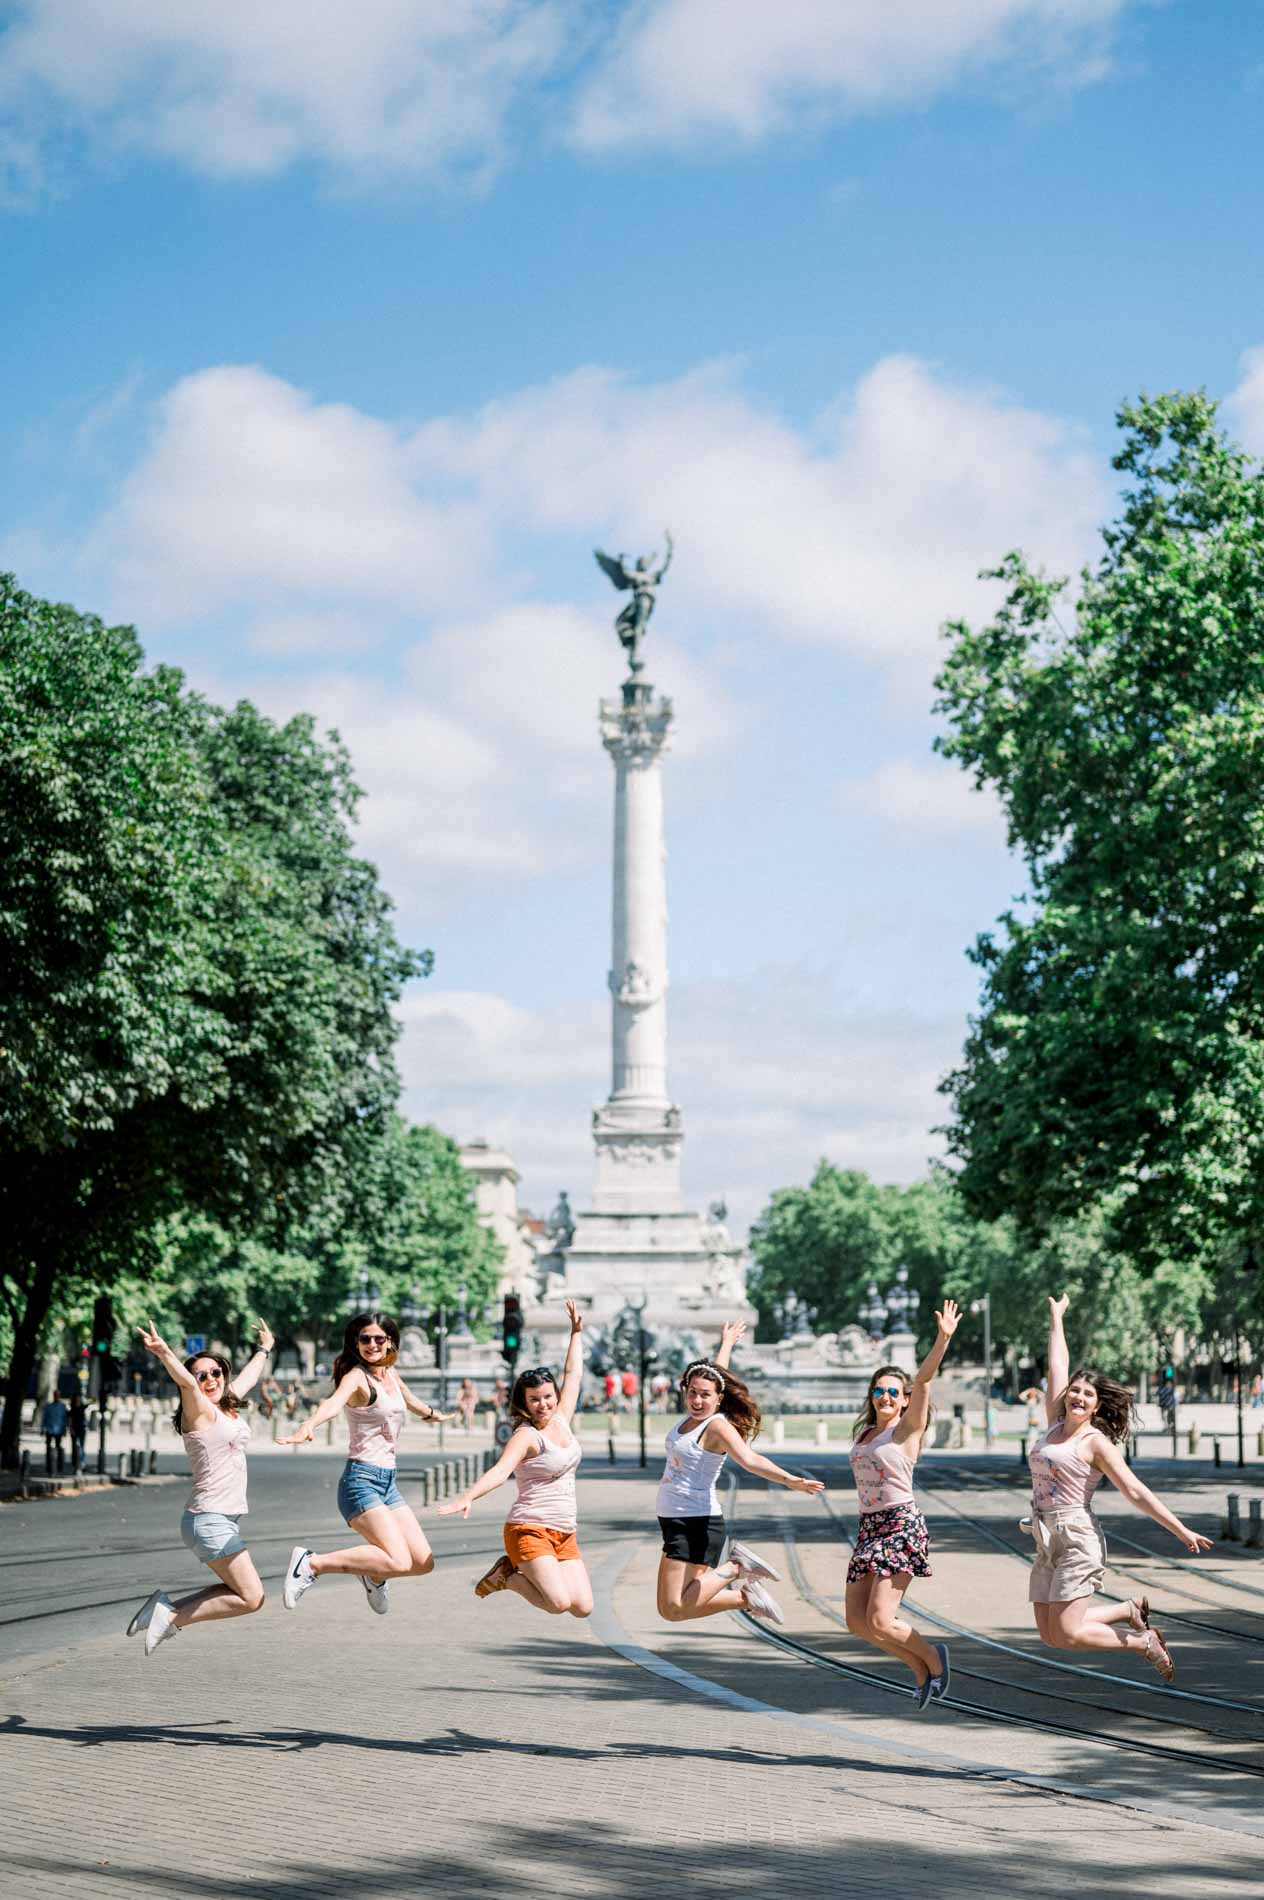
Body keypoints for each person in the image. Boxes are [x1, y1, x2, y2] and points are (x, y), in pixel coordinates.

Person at [1026, 1294, 1213, 1681]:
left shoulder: (1094, 1442)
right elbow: (1057, 1364)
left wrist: (1180, 1529)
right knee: (1051, 1635)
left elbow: (1135, 1490)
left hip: (1076, 1536)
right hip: (1045, 1535)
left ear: (1095, 1406)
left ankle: (1144, 1643)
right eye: (1075, 1391)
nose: (1078, 1397)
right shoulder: (1053, 1423)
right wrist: (1057, 1318)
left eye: (1087, 1395)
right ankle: (1127, 1609)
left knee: (1070, 1631)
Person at [280, 1311, 456, 1616]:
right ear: (355, 1343)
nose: (372, 1345)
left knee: (423, 1562)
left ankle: (373, 1575)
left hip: (388, 1483)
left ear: (390, 1342)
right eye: (365, 1339)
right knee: (399, 1560)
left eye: (379, 1338)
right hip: (360, 1482)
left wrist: (431, 1414)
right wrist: (309, 1424)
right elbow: (333, 1403)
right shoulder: (356, 1377)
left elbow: (409, 1398)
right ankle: (310, 1563)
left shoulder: (389, 1373)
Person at [655, 1319, 823, 1626]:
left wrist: (789, 1480)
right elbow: (715, 1376)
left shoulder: (717, 1426)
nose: (697, 1400)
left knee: (672, 1607)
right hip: (676, 1519)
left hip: (695, 1522)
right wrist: (727, 1344)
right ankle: (747, 1598)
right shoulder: (691, 1419)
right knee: (672, 1609)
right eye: (692, 1392)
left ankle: (735, 1568)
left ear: (719, 1398)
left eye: (705, 1395)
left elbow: (748, 1459)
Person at [125, 1318, 275, 1656]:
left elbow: (249, 1378)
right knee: (252, 1597)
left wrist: (264, 1349)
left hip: (217, 1519)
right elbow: (187, 1385)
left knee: (235, 1590)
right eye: (201, 1375)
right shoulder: (199, 1412)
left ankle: (164, 1609)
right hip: (209, 1519)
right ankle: (172, 1617)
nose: (209, 1380)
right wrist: (165, 1353)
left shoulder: (225, 1407)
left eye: (216, 1373)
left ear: (224, 1374)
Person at [438, 1300, 591, 1617]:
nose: (543, 1405)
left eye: (548, 1397)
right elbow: (500, 1470)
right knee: (558, 1603)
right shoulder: (526, 1436)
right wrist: (467, 1497)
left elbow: (573, 1374)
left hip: (564, 1530)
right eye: (534, 1400)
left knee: (584, 1607)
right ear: (524, 1403)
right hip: (529, 1528)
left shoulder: (562, 1418)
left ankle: (510, 1573)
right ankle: (507, 1578)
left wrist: (576, 1333)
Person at [845, 1302, 960, 1711]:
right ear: (871, 1395)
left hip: (899, 1527)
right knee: (857, 1623)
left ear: (905, 1398)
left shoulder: (907, 1430)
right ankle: (919, 1670)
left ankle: (933, 1659)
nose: (886, 1396)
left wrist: (942, 1339)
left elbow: (925, 1378)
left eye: (894, 1391)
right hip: (868, 1528)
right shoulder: (865, 1434)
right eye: (879, 1390)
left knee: (880, 1619)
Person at [41, 1395, 68, 1474]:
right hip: (49, 1429)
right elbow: (45, 1418)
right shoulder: (49, 1406)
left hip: (59, 1430)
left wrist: (64, 1429)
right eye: (55, 1395)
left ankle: (59, 1466)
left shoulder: (62, 1406)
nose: (57, 1397)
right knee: (48, 1448)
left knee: (58, 1447)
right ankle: (49, 1466)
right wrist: (43, 1429)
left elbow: (64, 1418)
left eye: (58, 1395)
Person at [68, 1394, 88, 1471]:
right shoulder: (72, 1410)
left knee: (82, 1447)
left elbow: (92, 1401)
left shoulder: (82, 1408)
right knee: (74, 1447)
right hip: (74, 1430)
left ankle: (82, 1463)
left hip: (82, 1430)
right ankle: (75, 1463)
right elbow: (69, 1421)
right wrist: (71, 1429)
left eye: (79, 1399)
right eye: (77, 1399)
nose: (78, 1401)